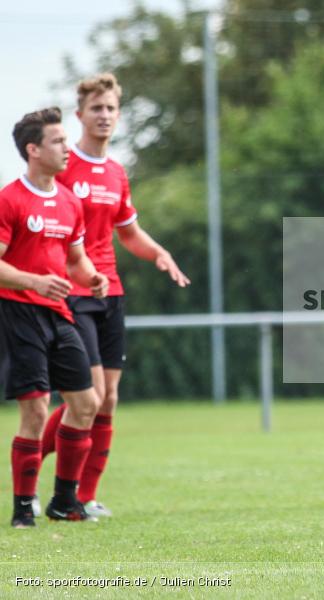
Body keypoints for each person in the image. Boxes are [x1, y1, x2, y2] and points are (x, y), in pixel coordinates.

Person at [39, 73, 190, 519]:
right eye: (96, 109)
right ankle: (33, 463)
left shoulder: (116, 172)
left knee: (107, 400)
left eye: (111, 109)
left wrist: (158, 252)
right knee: (87, 396)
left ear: (118, 115)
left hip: (111, 292)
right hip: (72, 293)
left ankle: (85, 496)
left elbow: (129, 233)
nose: (104, 116)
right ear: (80, 114)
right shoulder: (63, 168)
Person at [0, 107, 109, 527]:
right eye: (58, 141)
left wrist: (93, 278)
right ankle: (22, 508)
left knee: (87, 403)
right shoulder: (10, 200)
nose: (67, 147)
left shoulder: (69, 202)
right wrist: (34, 280)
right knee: (36, 412)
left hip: (59, 313)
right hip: (19, 312)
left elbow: (76, 261)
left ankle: (65, 502)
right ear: (33, 150)